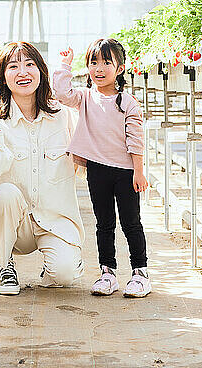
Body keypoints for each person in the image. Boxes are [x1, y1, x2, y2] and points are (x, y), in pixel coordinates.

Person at [0, 41, 85, 295]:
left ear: (41, 71)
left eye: (29, 64)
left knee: (65, 275)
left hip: (53, 220)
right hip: (16, 222)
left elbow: (87, 151)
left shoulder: (63, 115)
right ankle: (4, 265)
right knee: (5, 194)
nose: (22, 72)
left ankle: (55, 264)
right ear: (2, 77)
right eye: (13, 67)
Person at [53, 38, 151, 298]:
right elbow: (61, 93)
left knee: (131, 223)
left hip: (126, 172)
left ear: (119, 68)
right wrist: (65, 64)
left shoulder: (126, 101)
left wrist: (138, 170)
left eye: (106, 62)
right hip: (97, 170)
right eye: (93, 62)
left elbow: (136, 137)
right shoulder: (84, 97)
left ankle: (140, 273)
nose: (99, 68)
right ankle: (107, 273)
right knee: (104, 224)